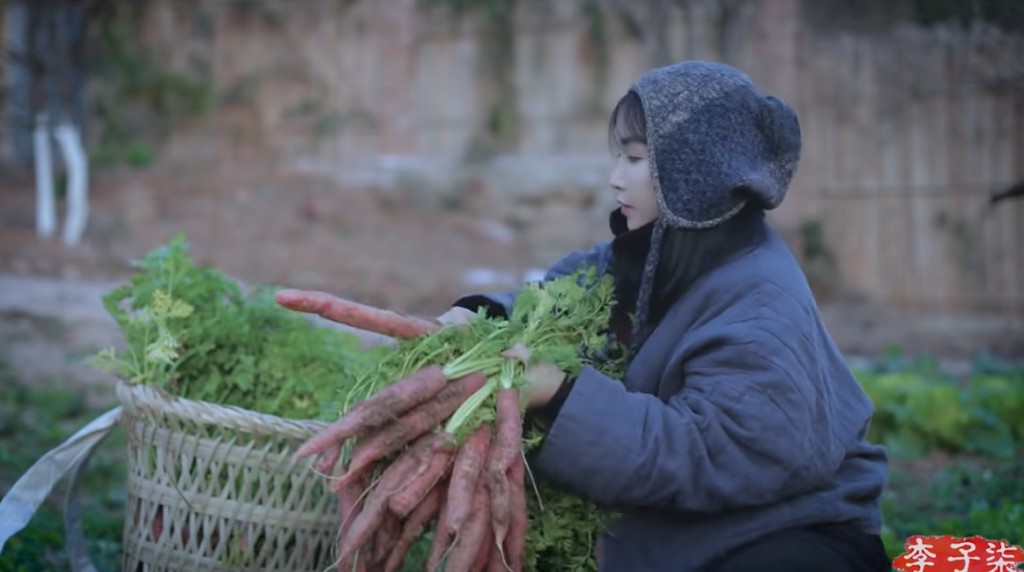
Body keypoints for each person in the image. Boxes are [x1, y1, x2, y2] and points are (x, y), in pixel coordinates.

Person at [437, 60, 892, 572]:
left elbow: (707, 452)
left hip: (785, 536)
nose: (615, 179)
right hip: (697, 532)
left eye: (634, 159)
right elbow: (563, 292)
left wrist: (560, 394)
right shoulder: (658, 252)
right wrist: (483, 313)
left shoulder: (760, 301)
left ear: (694, 174)